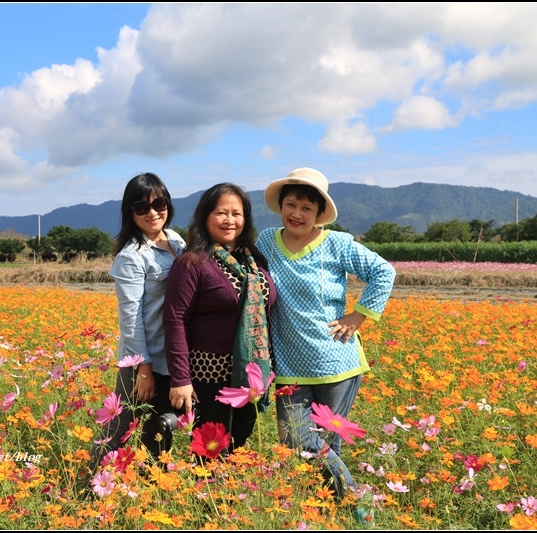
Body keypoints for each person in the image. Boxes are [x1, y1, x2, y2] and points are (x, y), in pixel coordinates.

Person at [255, 167, 395, 520]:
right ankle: (358, 507)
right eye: (291, 204)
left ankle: (341, 514)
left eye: (306, 208)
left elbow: (384, 272)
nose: (297, 214)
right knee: (298, 442)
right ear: (280, 206)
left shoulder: (337, 243)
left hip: (336, 362)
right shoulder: (267, 241)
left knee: (325, 445)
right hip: (288, 364)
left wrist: (357, 316)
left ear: (319, 214)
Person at [164, 183, 276, 454]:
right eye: (220, 213)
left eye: (236, 214)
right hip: (210, 376)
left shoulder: (254, 260)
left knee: (240, 448)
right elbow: (175, 319)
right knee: (212, 454)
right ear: (205, 217)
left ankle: (230, 496)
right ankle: (207, 497)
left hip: (251, 376)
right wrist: (180, 379)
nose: (229, 220)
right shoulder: (192, 262)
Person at [88, 172, 186, 478]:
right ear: (130, 212)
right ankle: (91, 482)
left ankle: (148, 482)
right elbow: (130, 319)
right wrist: (142, 369)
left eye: (159, 202)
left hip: (174, 356)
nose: (153, 212)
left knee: (160, 425)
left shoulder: (177, 240)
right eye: (142, 207)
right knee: (120, 428)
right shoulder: (131, 256)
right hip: (143, 359)